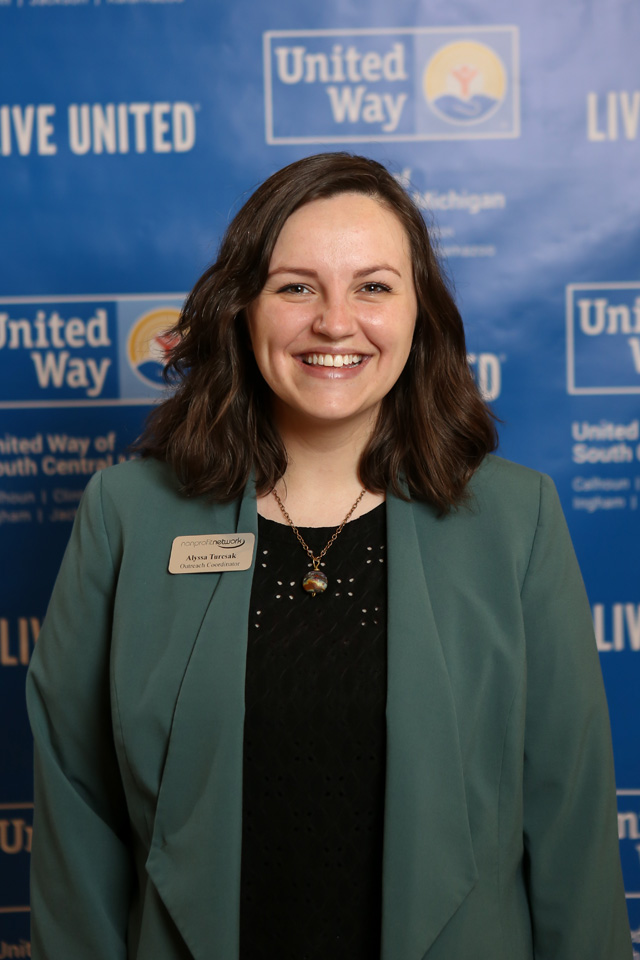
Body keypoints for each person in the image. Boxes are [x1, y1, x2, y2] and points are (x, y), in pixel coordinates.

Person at [27, 152, 631, 960]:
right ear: (243, 306)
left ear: (422, 313)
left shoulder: (515, 520)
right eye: (296, 286)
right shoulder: (127, 515)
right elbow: (77, 816)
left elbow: (571, 824)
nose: (336, 322)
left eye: (374, 286)